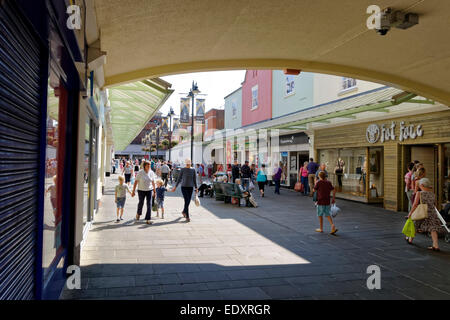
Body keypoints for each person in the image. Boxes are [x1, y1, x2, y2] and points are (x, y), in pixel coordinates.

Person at [406, 178, 443, 251]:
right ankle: (436, 245)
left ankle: (410, 239)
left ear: (422, 185)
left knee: (415, 225)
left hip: (422, 212)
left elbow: (415, 204)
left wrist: (410, 213)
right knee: (433, 229)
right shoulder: (433, 194)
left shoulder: (419, 193)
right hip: (431, 212)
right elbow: (434, 204)